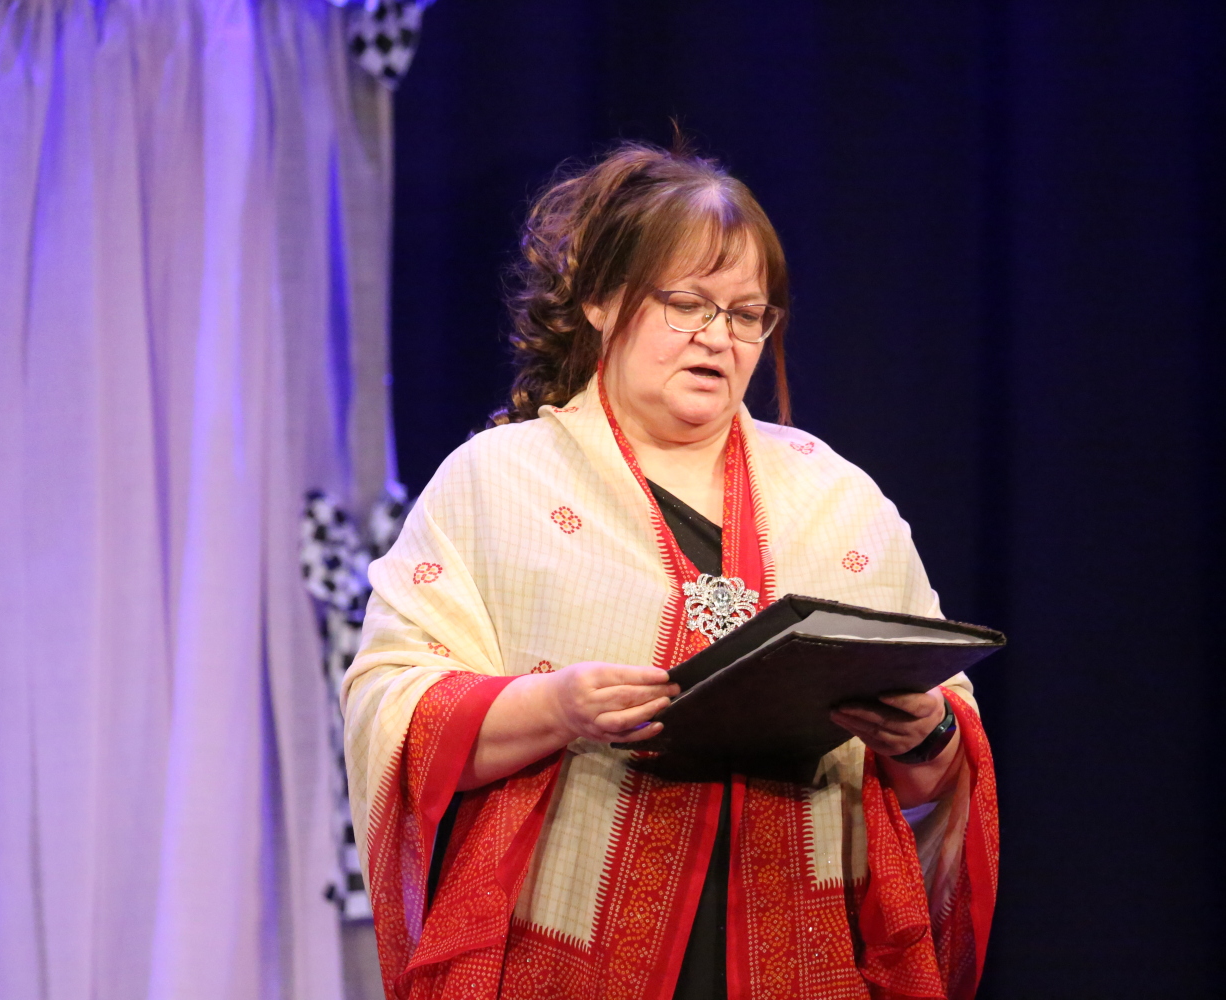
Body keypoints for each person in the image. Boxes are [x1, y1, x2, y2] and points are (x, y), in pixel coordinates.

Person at [342, 141, 997, 1000]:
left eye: (747, 315)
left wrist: (926, 734)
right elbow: (392, 701)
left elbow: (943, 756)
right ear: (602, 301)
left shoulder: (838, 499)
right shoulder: (500, 483)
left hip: (805, 953)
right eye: (687, 305)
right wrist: (554, 707)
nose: (718, 339)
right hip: (567, 957)